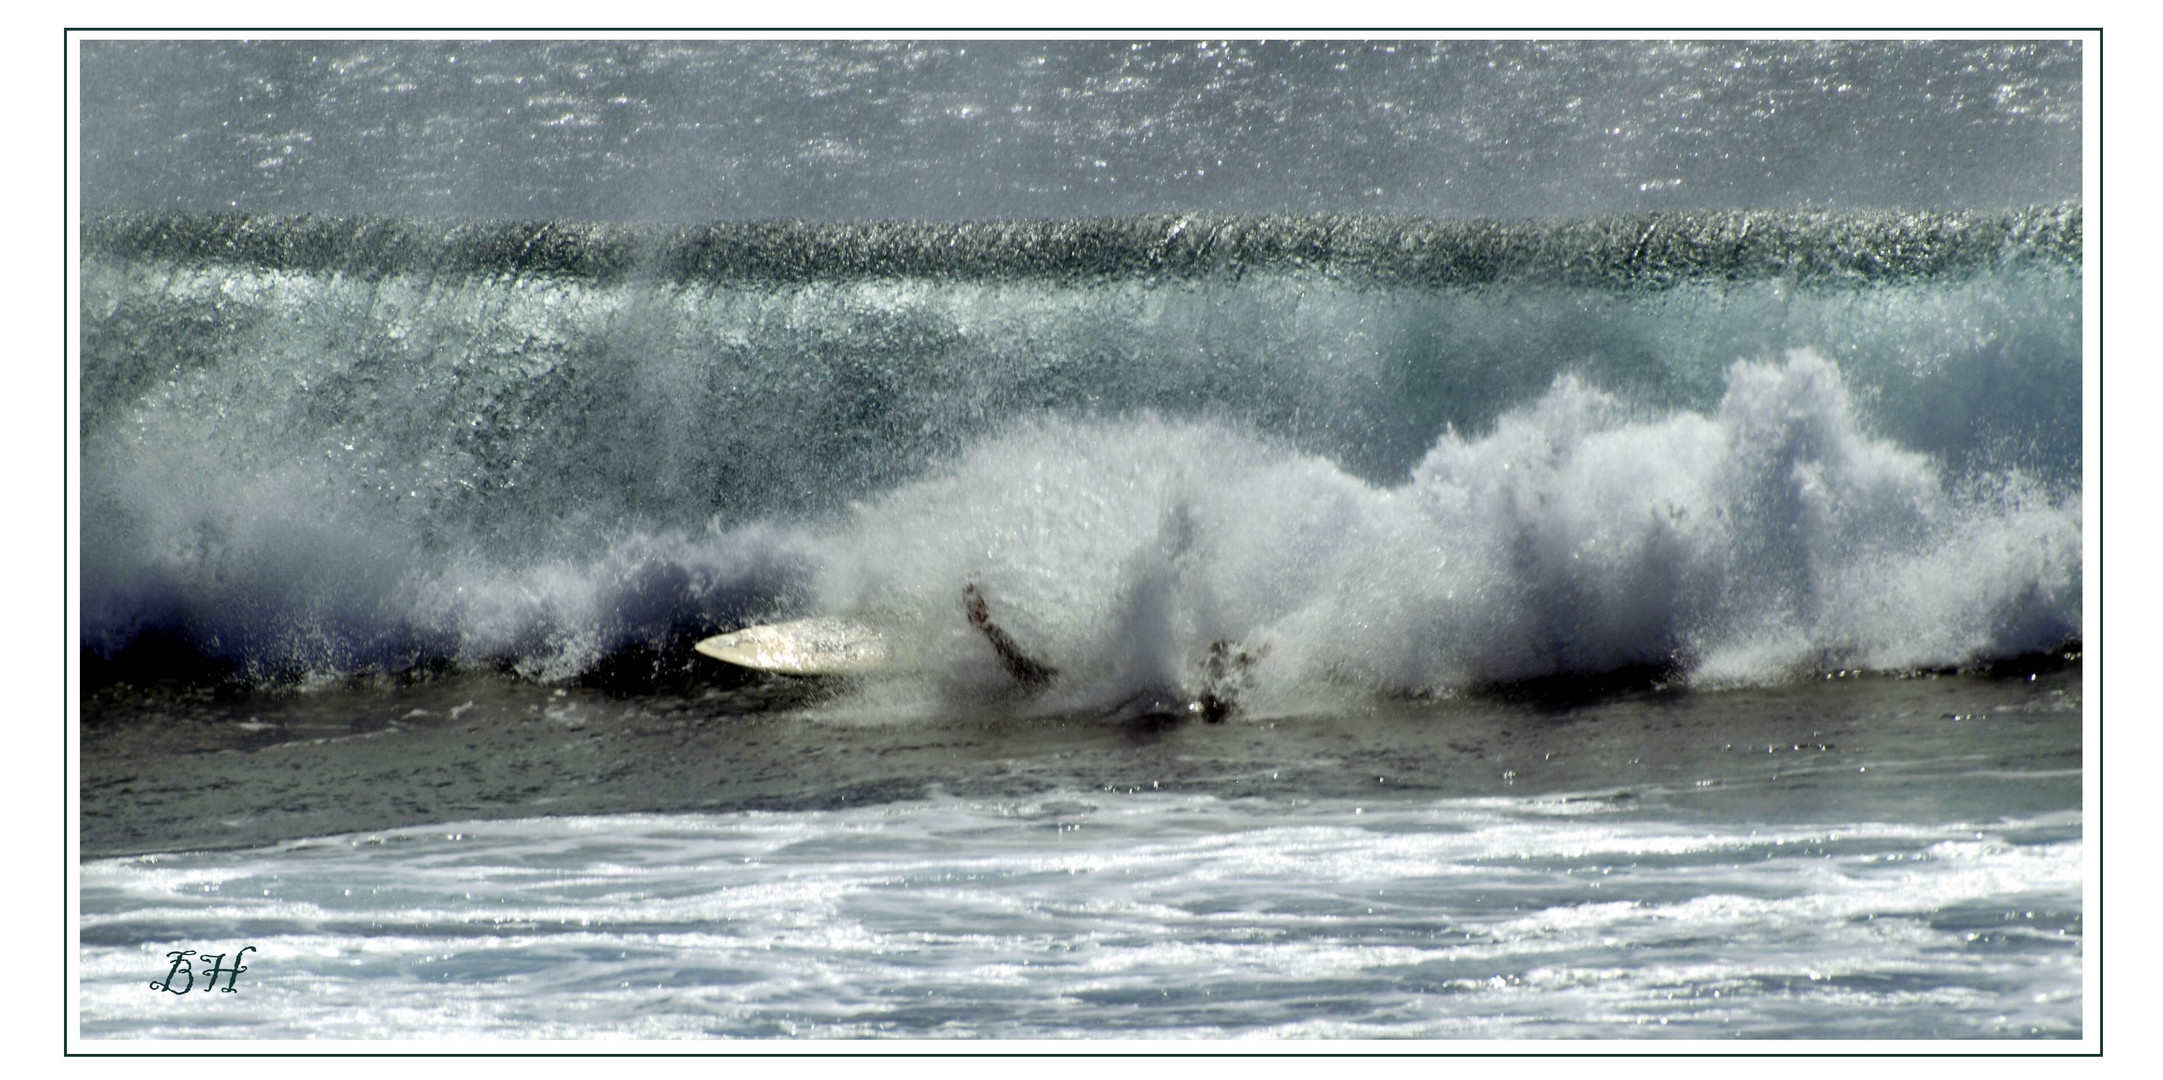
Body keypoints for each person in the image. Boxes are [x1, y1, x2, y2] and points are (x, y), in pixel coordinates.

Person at [962, 582, 1262, 722]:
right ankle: (987, 627)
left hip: (1127, 699)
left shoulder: (1200, 689)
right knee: (1037, 677)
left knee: (1037, 678)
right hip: (1108, 688)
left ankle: (987, 628)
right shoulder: (1192, 680)